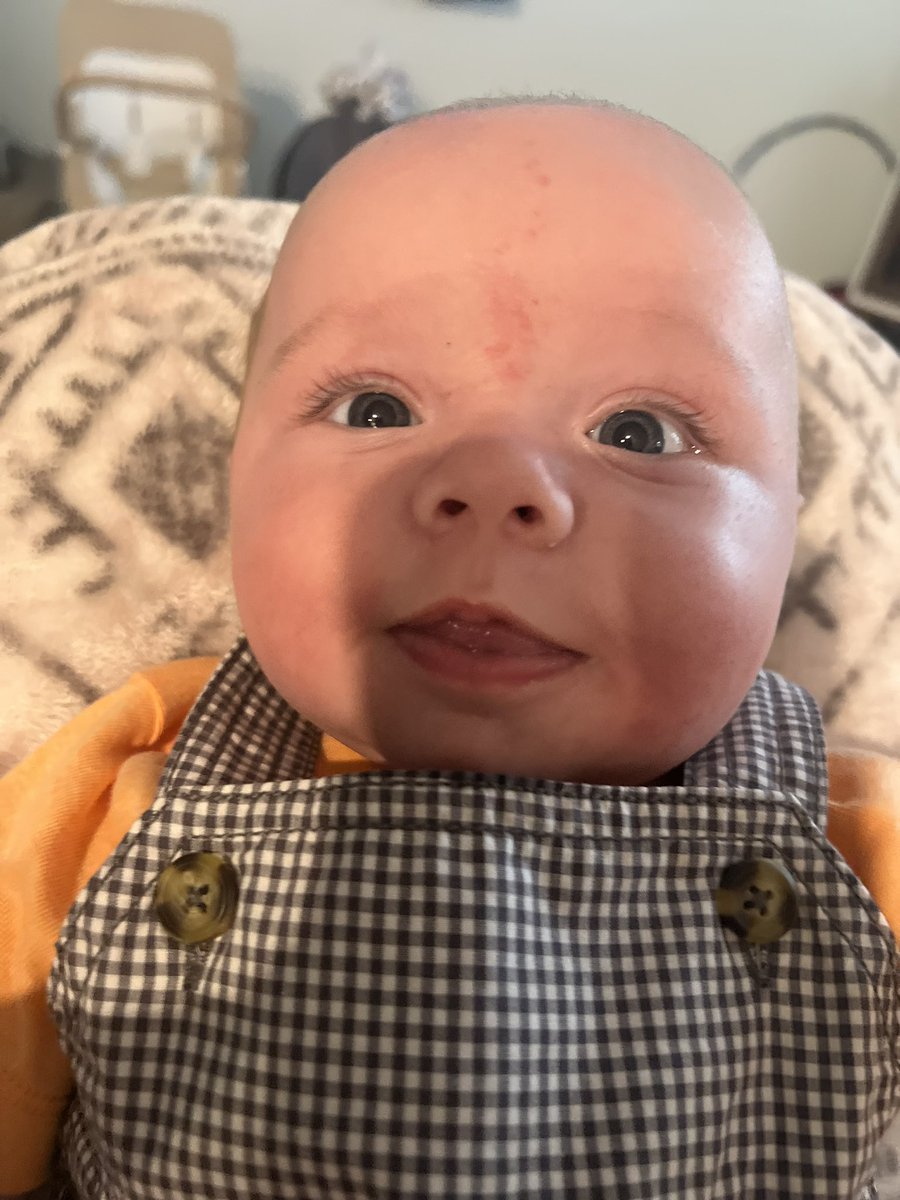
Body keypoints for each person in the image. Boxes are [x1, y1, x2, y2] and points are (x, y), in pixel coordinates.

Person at [2, 99, 899, 1200]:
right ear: (235, 475)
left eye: (641, 433)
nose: (496, 483)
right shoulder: (112, 799)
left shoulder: (861, 854)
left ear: (786, 535)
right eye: (375, 408)